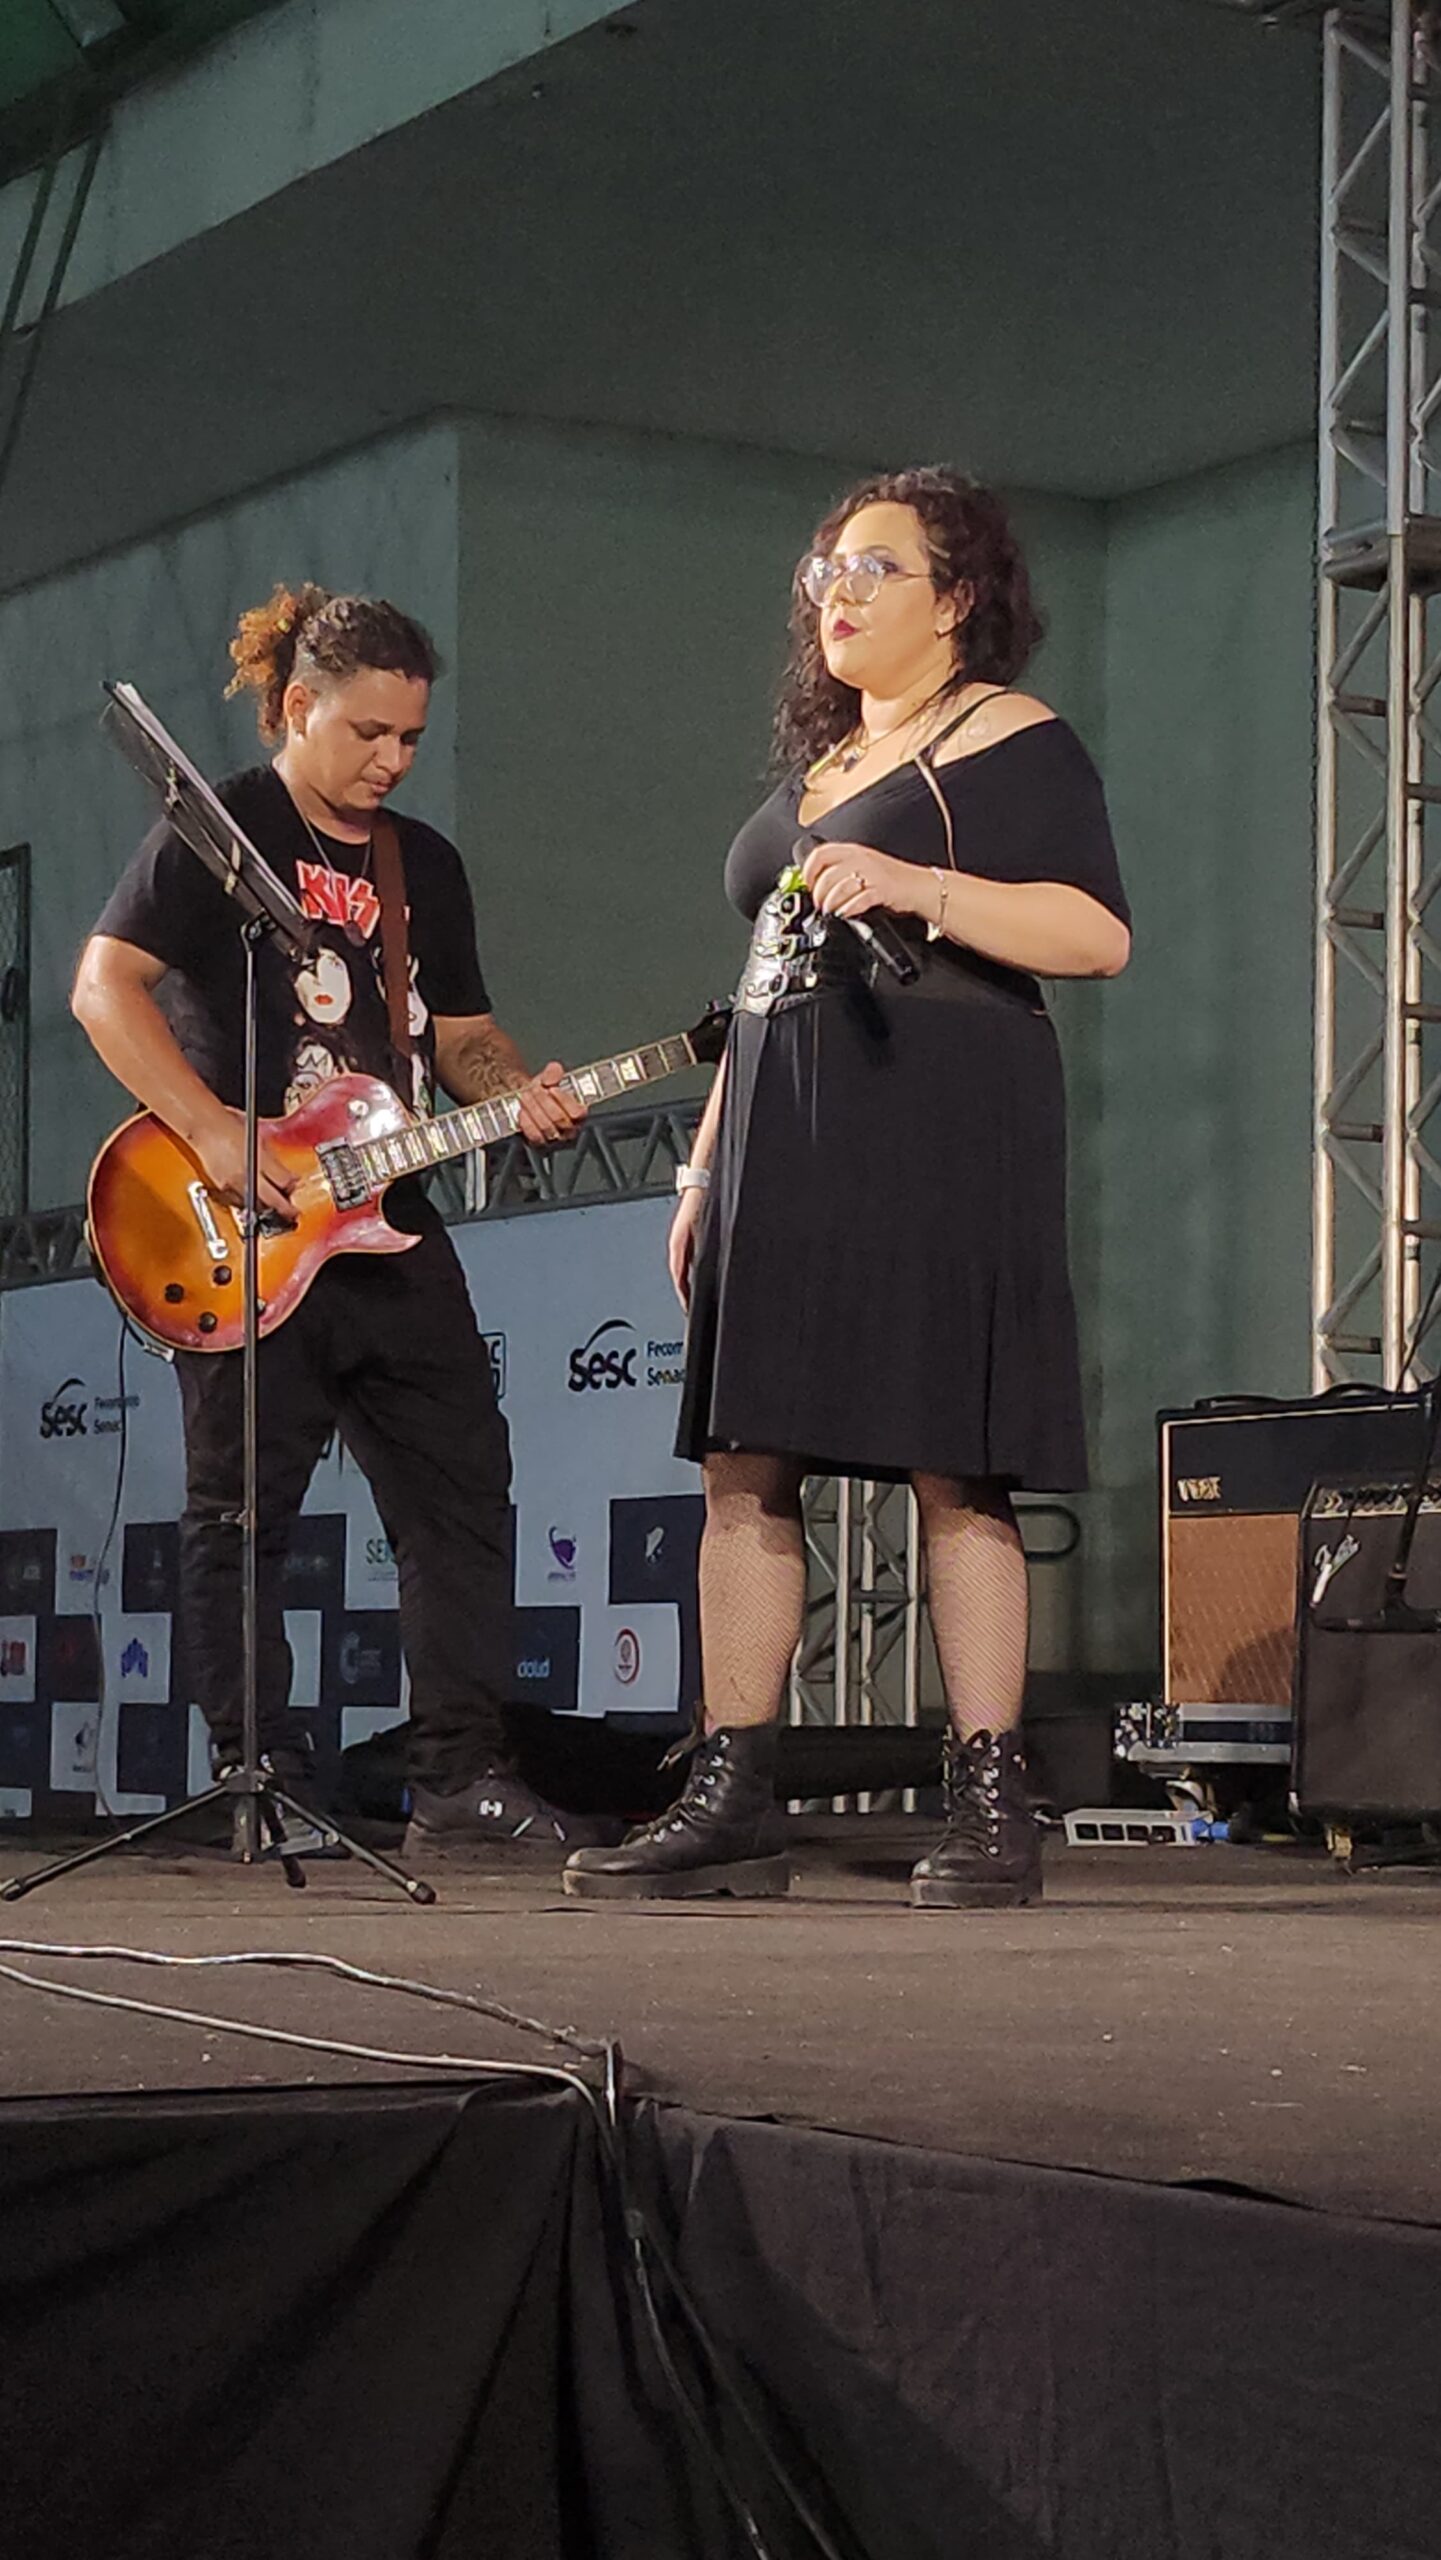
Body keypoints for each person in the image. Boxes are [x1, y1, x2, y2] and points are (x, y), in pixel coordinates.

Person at [565, 468, 1130, 1910]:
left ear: (958, 598)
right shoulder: (819, 772)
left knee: (956, 1460)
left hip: (940, 1111)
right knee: (742, 1460)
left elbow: (1092, 934)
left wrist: (918, 886)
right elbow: (760, 976)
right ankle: (732, 1790)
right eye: (826, 569)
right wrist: (703, 1163)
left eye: (877, 568)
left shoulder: (1011, 739)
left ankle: (991, 1794)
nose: (839, 592)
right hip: (784, 1127)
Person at [73, 583, 613, 1861]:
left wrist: (517, 1091)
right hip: (246, 1224)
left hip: (389, 1223)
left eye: (411, 736)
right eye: (369, 731)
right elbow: (104, 987)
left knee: (462, 1494)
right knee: (240, 1511)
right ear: (298, 706)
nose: (393, 758)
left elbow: (464, 1037)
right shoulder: (218, 831)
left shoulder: (424, 864)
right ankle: (263, 1775)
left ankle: (459, 1780)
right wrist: (212, 1125)